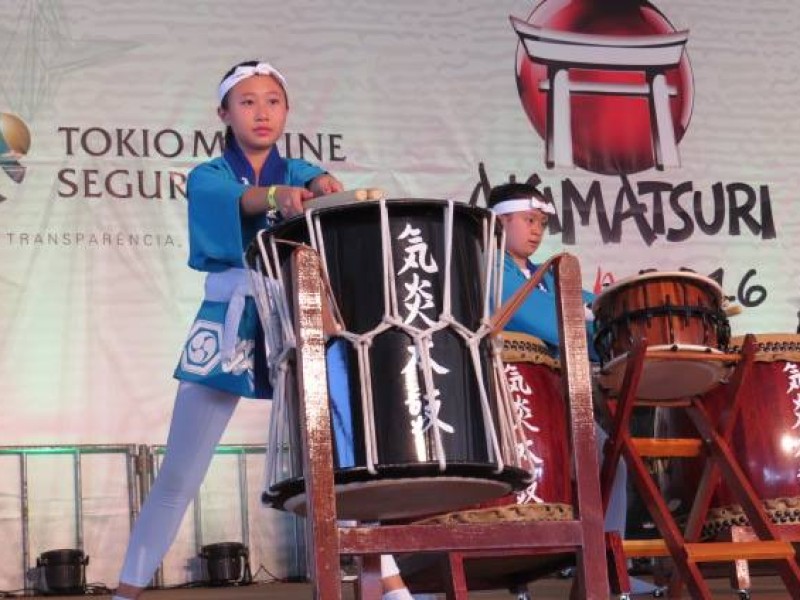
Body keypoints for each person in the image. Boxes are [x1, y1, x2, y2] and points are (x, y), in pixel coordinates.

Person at [113, 60, 415, 600]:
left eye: (272, 101)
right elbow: (245, 201)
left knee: (339, 459)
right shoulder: (209, 175)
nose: (261, 112)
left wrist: (322, 187)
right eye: (248, 101)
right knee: (181, 473)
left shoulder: (302, 170)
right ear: (224, 113)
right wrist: (277, 197)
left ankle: (390, 585)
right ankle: (126, 590)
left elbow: (318, 192)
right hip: (230, 322)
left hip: (299, 319)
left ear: (287, 111)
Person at [488, 181, 660, 597]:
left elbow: (601, 310)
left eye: (542, 224)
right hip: (510, 398)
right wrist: (589, 316)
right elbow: (547, 322)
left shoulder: (544, 275)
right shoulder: (488, 265)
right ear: (499, 221)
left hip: (554, 395)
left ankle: (606, 567)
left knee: (607, 461)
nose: (537, 231)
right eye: (529, 220)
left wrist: (629, 312)